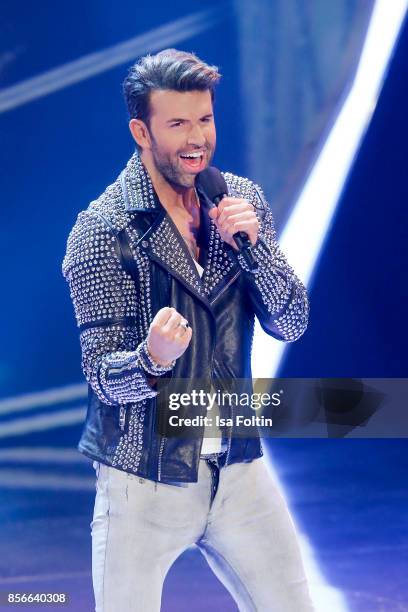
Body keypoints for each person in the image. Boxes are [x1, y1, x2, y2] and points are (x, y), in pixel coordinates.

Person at [62, 48, 314, 612]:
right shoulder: (104, 231)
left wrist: (257, 252)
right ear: (141, 131)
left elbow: (292, 321)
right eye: (177, 123)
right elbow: (104, 379)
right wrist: (151, 360)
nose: (196, 138)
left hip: (239, 470)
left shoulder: (240, 202)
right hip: (143, 479)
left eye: (204, 119)